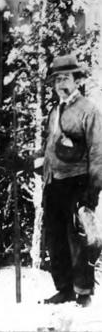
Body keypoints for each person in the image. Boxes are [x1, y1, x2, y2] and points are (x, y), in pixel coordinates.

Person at [40, 54, 102, 307]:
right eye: (56, 79)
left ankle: (83, 292)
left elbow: (98, 150)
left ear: (76, 79)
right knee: (55, 238)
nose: (61, 83)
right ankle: (64, 289)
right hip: (54, 182)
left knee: (77, 238)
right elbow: (51, 148)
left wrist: (94, 188)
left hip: (77, 182)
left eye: (66, 77)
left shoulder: (89, 110)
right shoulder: (56, 111)